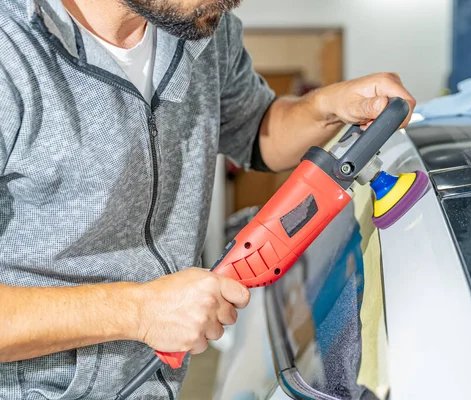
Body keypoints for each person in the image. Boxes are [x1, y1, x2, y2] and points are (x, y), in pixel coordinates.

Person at [0, 0, 416, 398]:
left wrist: (327, 106)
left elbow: (257, 132)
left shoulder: (201, 28)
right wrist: (138, 312)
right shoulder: (11, 50)